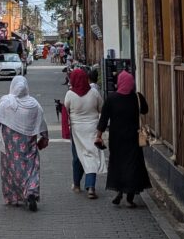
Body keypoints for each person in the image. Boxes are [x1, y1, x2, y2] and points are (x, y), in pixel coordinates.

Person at [0, 76, 48, 211]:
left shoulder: (6, 103)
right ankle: (31, 191)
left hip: (11, 149)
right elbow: (42, 123)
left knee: (11, 171)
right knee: (32, 168)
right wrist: (45, 138)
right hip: (29, 145)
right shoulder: (34, 104)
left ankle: (14, 198)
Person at [95, 70, 150, 207]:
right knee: (132, 165)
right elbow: (145, 110)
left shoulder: (112, 98)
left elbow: (103, 119)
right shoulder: (137, 97)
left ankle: (119, 191)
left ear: (119, 82)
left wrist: (98, 135)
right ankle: (130, 198)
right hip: (133, 138)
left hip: (116, 138)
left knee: (118, 164)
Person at [64, 68, 106, 198]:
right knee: (91, 155)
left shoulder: (70, 94)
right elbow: (101, 108)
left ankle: (77, 184)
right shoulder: (94, 93)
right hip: (92, 128)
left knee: (77, 156)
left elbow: (66, 109)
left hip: (77, 130)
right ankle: (91, 186)